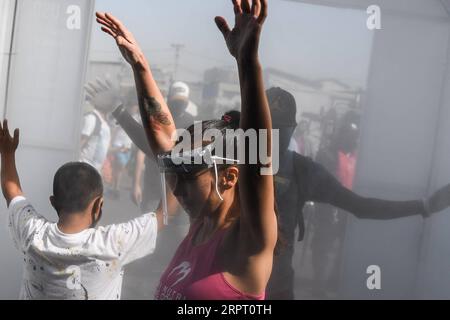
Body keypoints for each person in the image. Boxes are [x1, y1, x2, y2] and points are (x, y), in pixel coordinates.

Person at [96, 0, 276, 300]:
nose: (176, 189)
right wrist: (140, 65)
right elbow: (165, 138)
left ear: (229, 178)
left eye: (188, 177)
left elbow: (257, 161)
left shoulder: (247, 241)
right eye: (175, 175)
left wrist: (247, 61)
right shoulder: (201, 225)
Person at [264, 87, 450, 300]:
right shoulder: (231, 165)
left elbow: (361, 206)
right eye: (267, 128)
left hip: (273, 289)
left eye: (278, 130)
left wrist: (424, 206)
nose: (271, 137)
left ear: (292, 129)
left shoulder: (302, 171)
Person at [0, 119, 169, 300]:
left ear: (53, 202)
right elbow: (165, 214)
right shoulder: (113, 243)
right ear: (98, 205)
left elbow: (13, 192)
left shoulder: (32, 233)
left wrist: (7, 153)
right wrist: (174, 162)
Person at [80, 79, 118, 172]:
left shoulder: (105, 123)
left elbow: (104, 148)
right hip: (83, 168)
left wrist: (120, 149)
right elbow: (80, 144)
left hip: (94, 171)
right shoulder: (92, 118)